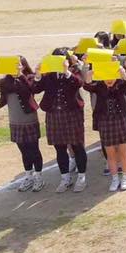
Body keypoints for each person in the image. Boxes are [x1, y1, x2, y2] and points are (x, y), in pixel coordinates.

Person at [0, 56, 44, 192]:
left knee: (34, 150)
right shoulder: (7, 81)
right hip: (15, 121)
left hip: (29, 120)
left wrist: (20, 75)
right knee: (23, 150)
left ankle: (39, 177)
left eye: (18, 65)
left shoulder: (28, 78)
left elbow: (31, 89)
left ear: (23, 66)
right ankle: (29, 175)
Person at [33, 51, 87, 192]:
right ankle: (65, 178)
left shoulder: (74, 70)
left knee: (77, 146)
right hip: (54, 113)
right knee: (59, 147)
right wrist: (38, 75)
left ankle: (82, 177)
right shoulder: (49, 73)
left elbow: (78, 83)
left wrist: (66, 71)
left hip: (72, 114)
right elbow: (36, 89)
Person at [84, 66, 126, 192]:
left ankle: (125, 178)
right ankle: (115, 179)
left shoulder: (120, 84)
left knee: (123, 152)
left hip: (120, 120)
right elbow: (87, 87)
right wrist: (89, 76)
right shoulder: (99, 86)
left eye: (111, 76)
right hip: (105, 122)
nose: (109, 80)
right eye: (106, 77)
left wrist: (123, 73)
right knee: (110, 154)